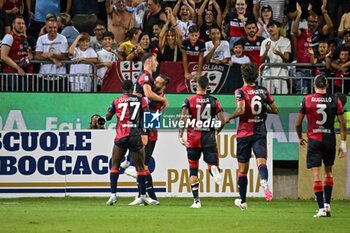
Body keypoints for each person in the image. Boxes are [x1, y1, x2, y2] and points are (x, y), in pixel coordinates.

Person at [225, 63, 278, 210]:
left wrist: (229, 117)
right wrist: (263, 108)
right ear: (256, 76)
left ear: (243, 76)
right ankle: (264, 181)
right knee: (261, 161)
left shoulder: (240, 91)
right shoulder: (264, 91)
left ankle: (242, 201)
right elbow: (275, 110)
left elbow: (241, 109)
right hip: (260, 130)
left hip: (244, 133)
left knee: (243, 169)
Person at [295, 75, 347, 217]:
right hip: (330, 138)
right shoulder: (335, 100)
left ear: (314, 85)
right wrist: (343, 144)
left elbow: (298, 123)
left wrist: (300, 137)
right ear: (327, 86)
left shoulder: (307, 99)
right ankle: (327, 206)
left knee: (316, 175)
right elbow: (342, 123)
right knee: (329, 172)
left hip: (314, 139)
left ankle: (321, 209)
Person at [105, 79, 159, 206]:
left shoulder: (116, 101)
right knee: (140, 167)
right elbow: (147, 115)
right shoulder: (141, 100)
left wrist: (111, 111)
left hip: (121, 136)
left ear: (122, 89)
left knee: (115, 165)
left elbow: (108, 117)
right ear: (133, 89)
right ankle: (143, 195)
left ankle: (113, 195)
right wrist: (151, 130)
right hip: (135, 136)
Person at [178, 75, 226, 208]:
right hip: (208, 138)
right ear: (208, 86)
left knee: (193, 169)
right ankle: (213, 169)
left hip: (193, 139)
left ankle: (196, 201)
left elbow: (183, 118)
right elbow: (222, 120)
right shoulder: (214, 101)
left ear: (196, 85)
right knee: (211, 163)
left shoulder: (189, 100)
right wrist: (217, 131)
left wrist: (180, 135)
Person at [129, 74, 170, 206]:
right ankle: (145, 196)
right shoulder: (157, 96)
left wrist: (137, 93)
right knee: (141, 166)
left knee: (142, 166)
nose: (154, 83)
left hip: (150, 136)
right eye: (155, 80)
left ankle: (146, 196)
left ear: (163, 86)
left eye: (157, 82)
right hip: (143, 133)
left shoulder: (158, 99)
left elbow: (146, 100)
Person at [34, 20, 69, 92]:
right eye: (50, 27)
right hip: (44, 75)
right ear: (46, 28)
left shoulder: (62, 38)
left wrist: (51, 54)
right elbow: (37, 56)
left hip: (60, 75)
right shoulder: (41, 39)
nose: (53, 29)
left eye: (54, 27)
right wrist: (52, 59)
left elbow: (64, 56)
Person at [1, 15, 33, 91]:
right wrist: (18, 68)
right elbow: (3, 56)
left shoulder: (24, 37)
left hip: (25, 73)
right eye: (18, 23)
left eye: (23, 23)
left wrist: (30, 56)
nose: (21, 25)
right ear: (13, 25)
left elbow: (28, 53)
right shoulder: (9, 37)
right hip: (12, 75)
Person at [260, 20, 291, 94]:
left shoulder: (286, 41)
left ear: (279, 28)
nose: (270, 29)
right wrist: (266, 50)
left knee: (282, 100)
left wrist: (280, 54)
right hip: (268, 76)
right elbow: (261, 61)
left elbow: (287, 59)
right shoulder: (264, 42)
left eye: (272, 27)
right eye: (269, 27)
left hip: (281, 75)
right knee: (267, 99)